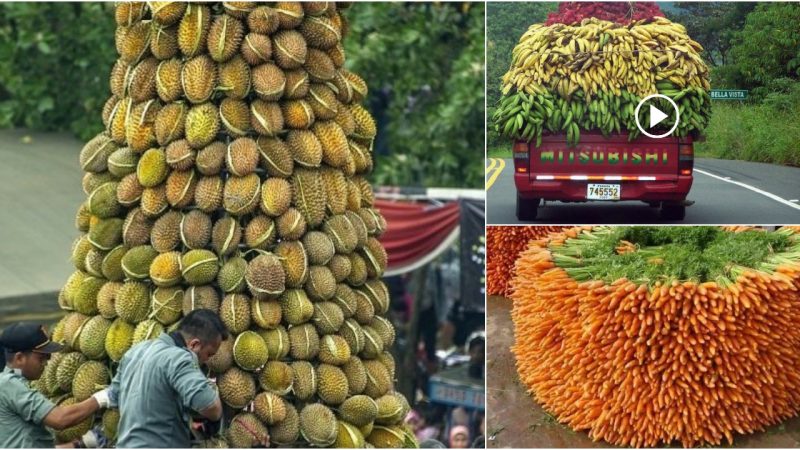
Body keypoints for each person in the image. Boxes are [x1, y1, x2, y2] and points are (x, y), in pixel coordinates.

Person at [108, 309, 234, 448]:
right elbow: (211, 407)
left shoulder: (136, 352)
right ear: (194, 345)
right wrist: (214, 412)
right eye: (209, 354)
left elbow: (112, 396)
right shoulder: (179, 358)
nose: (207, 360)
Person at [0, 322, 110, 448]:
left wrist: (81, 444)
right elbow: (60, 419)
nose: (46, 363)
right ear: (19, 358)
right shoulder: (9, 385)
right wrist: (102, 398)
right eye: (42, 358)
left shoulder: (12, 384)